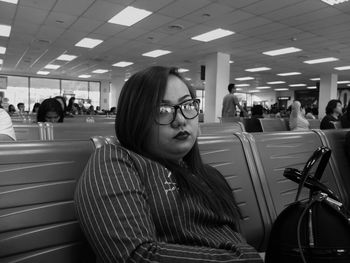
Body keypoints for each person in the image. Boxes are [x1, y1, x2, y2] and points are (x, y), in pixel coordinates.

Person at [74, 66, 262, 262]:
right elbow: (137, 257)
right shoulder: (115, 162)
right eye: (162, 110)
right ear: (135, 118)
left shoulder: (210, 175)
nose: (180, 120)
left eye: (187, 105)